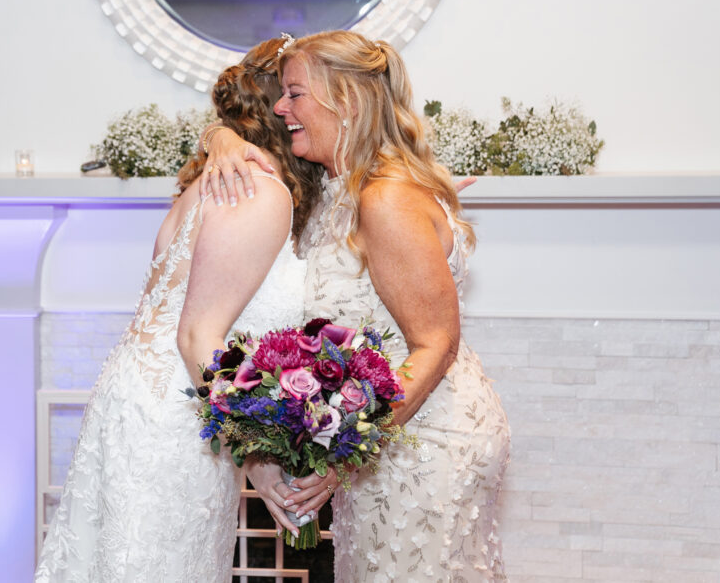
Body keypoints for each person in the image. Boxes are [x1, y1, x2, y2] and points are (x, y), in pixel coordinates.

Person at [202, 30, 511, 581]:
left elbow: (436, 341)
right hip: (385, 439)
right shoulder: (338, 188)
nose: (280, 107)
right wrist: (220, 138)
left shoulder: (384, 196)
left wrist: (347, 450)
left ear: (344, 101)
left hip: (424, 443)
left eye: (295, 93)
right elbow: (244, 123)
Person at [34, 37, 324, 582]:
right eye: (294, 96)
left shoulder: (209, 183)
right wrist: (257, 461)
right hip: (178, 419)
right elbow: (198, 337)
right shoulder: (260, 192)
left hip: (144, 402)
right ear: (279, 111)